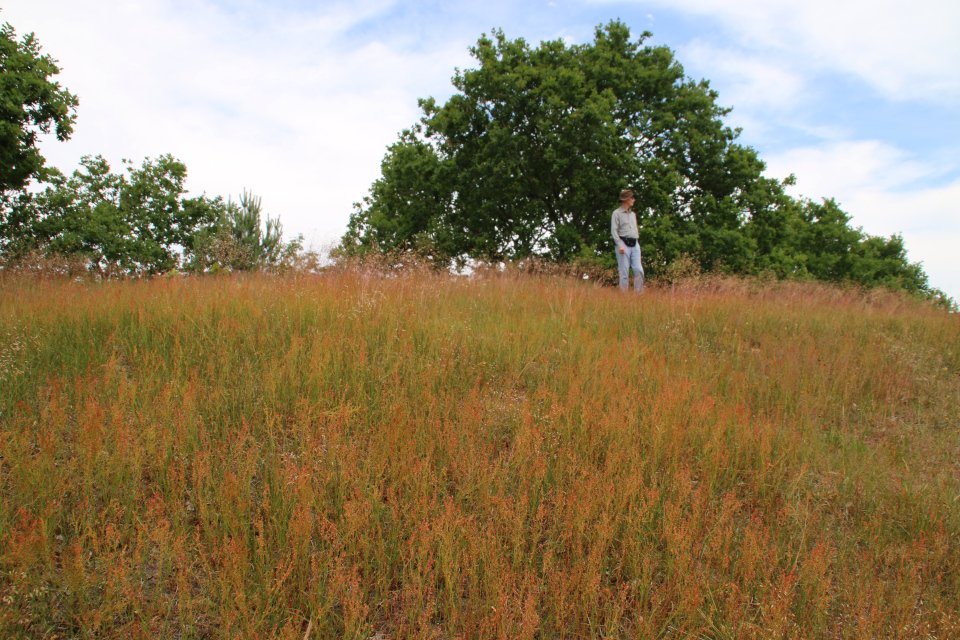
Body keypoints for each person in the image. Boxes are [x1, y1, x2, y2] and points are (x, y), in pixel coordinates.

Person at [611, 189, 644, 292]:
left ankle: (639, 295)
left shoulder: (633, 214)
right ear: (627, 199)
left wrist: (637, 243)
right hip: (623, 244)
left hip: (635, 243)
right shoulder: (616, 213)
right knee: (624, 273)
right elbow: (614, 230)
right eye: (632, 198)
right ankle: (624, 296)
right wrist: (619, 244)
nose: (633, 200)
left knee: (638, 270)